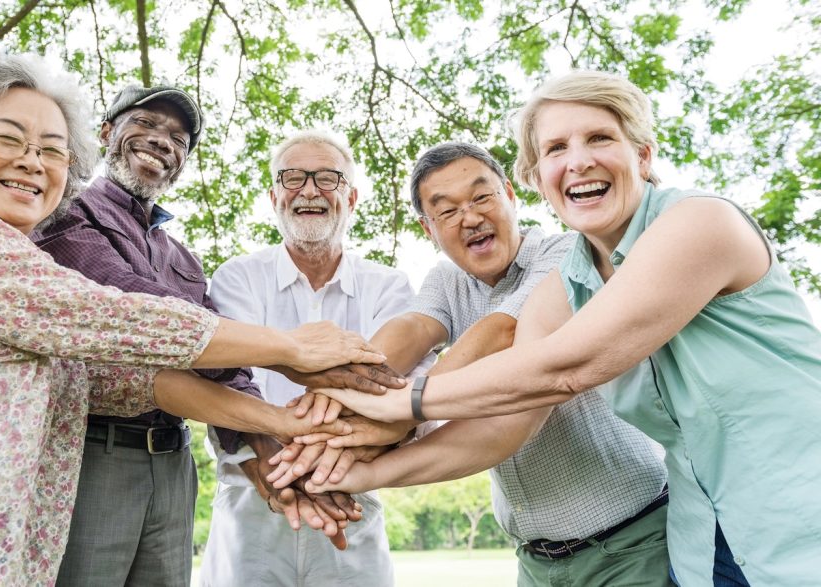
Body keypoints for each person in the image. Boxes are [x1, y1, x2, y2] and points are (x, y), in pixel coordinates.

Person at [0, 52, 381, 585]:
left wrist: (278, 432)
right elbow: (109, 316)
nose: (31, 161)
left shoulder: (166, 258)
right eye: (7, 138)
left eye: (50, 150)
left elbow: (125, 377)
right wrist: (290, 349)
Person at [316, 70, 821, 586]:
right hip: (704, 540)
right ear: (539, 177)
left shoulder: (701, 221)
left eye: (599, 138)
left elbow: (563, 366)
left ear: (643, 156)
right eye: (556, 148)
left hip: (798, 524)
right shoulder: (573, 276)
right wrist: (356, 468)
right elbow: (510, 411)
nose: (578, 160)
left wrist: (400, 403)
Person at [31, 86, 367, 586]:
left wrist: (269, 456)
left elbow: (224, 365)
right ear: (106, 133)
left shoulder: (183, 259)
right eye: (145, 123)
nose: (162, 140)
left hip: (174, 462)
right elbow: (136, 308)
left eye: (178, 137)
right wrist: (289, 354)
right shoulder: (68, 210)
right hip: (95, 456)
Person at [304, 141, 670, 586]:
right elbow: (414, 331)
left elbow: (505, 332)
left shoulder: (565, 254)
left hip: (631, 542)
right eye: (447, 211)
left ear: (511, 197)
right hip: (537, 561)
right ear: (428, 229)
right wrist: (332, 412)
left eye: (482, 197)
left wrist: (399, 416)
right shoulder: (445, 280)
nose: (471, 218)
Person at [200, 130, 421, 586]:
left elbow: (398, 385)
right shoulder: (238, 277)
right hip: (250, 500)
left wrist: (311, 465)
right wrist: (272, 462)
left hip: (351, 500)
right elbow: (226, 375)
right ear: (274, 194)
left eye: (327, 178)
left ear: (352, 197)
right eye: (293, 177)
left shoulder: (389, 287)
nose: (309, 190)